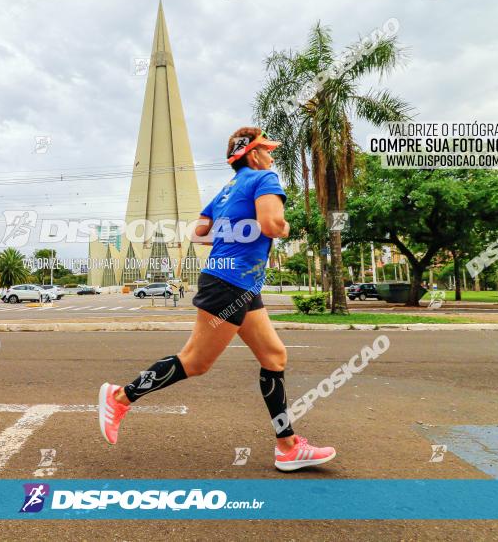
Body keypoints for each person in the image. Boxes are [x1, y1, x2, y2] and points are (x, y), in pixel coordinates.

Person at [99, 127, 336, 472]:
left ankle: (287, 447)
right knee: (195, 362)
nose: (271, 156)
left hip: (239, 282)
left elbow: (199, 232)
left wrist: (234, 238)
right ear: (253, 154)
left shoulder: (226, 191)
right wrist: (285, 228)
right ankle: (120, 397)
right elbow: (272, 224)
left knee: (274, 355)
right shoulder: (264, 178)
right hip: (231, 283)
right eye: (267, 150)